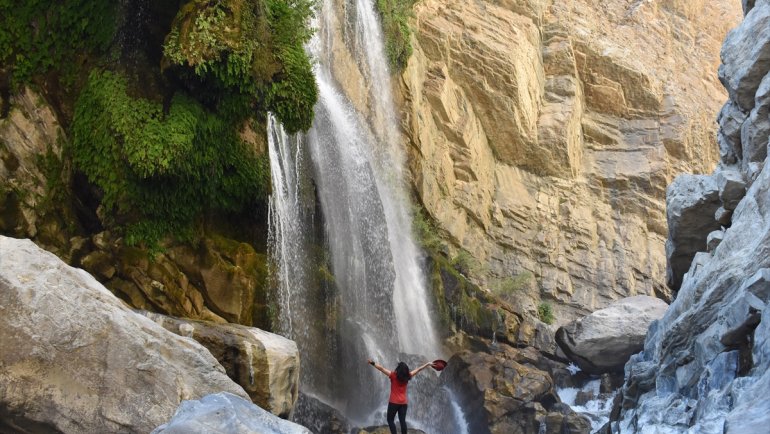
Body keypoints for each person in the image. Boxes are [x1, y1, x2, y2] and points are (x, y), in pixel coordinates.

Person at [367, 358, 433, 434]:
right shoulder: (408, 376)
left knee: (390, 420)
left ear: (398, 369)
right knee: (402, 421)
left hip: (393, 402)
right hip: (404, 403)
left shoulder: (393, 375)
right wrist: (428, 364)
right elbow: (418, 369)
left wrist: (372, 363)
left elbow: (381, 369)